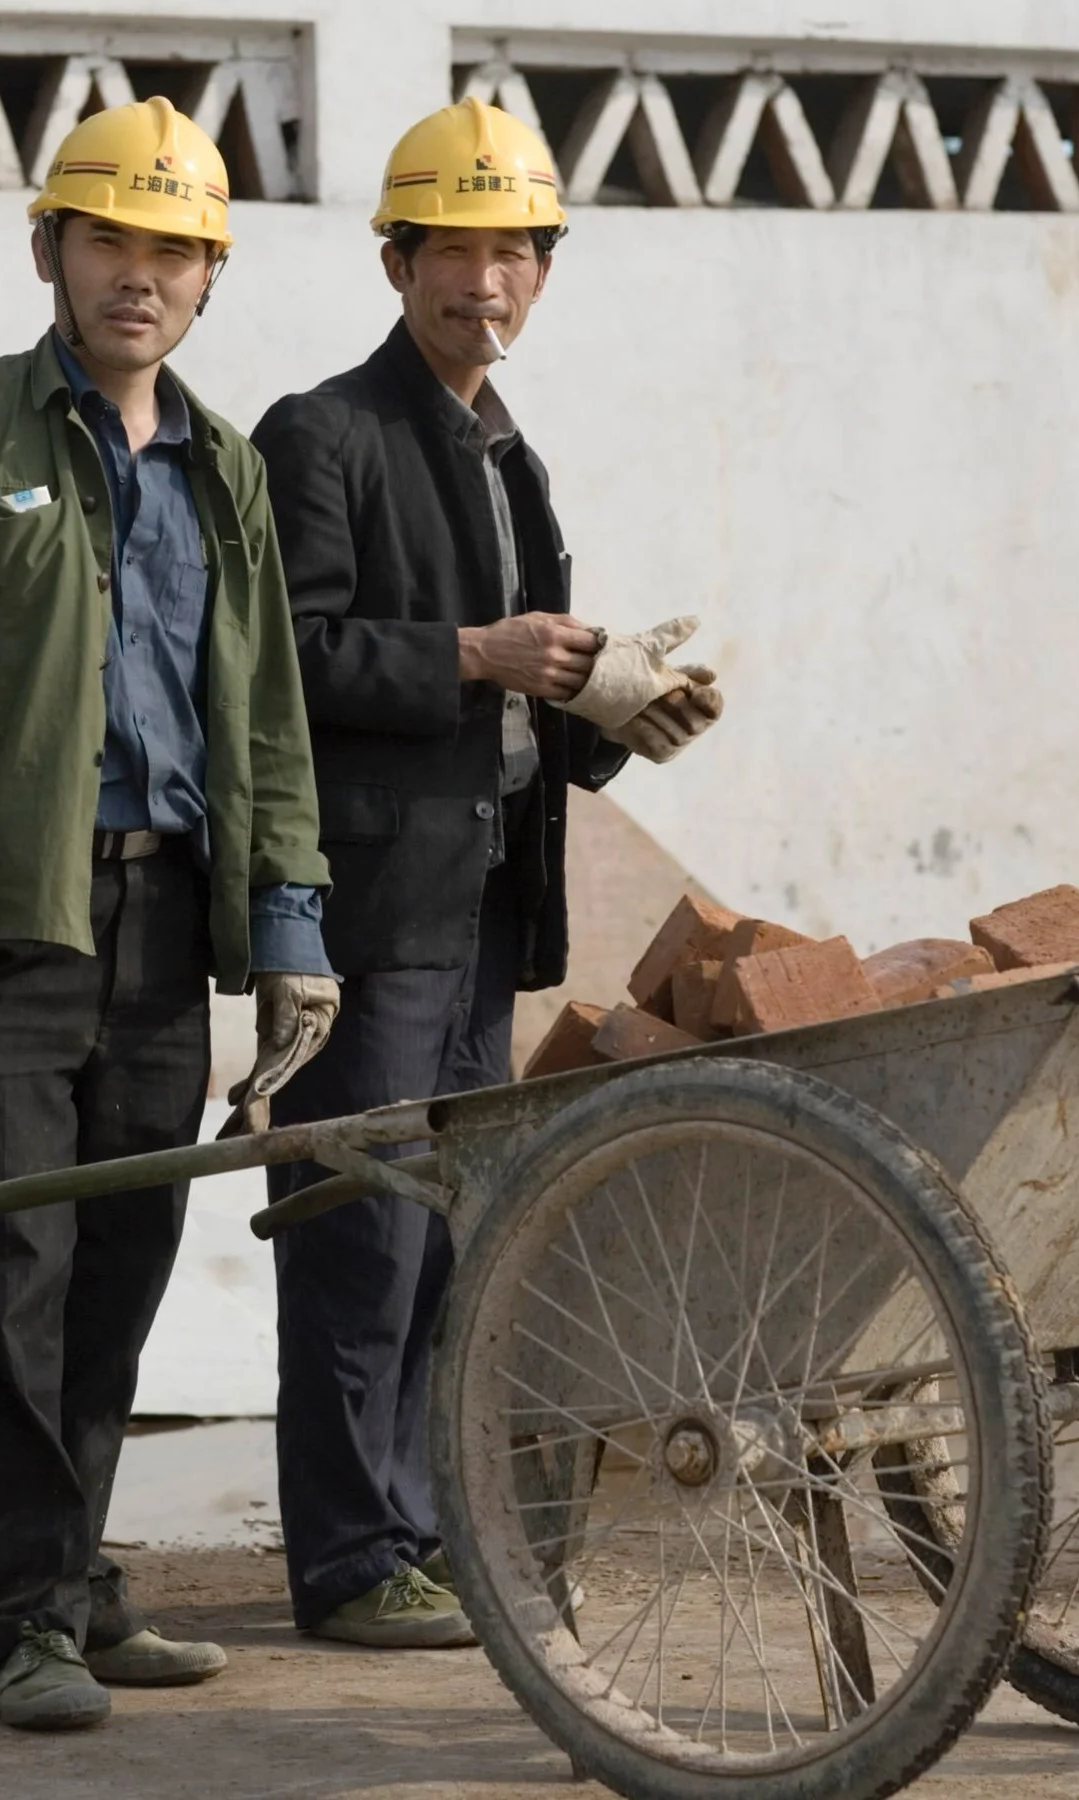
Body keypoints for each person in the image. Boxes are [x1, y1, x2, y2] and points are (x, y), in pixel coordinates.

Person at [0, 98, 337, 1730]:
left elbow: (266, 707)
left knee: (123, 1263)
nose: (137, 278)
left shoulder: (223, 468)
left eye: (171, 251)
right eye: (109, 242)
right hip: (12, 929)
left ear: (208, 277)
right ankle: (24, 1627)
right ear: (51, 251)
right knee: (10, 1269)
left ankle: (70, 1586)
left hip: (167, 925)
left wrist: (288, 924)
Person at [251, 97, 724, 1649]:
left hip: (485, 911)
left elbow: (523, 714)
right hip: (371, 916)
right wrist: (476, 652)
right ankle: (345, 1559)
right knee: (358, 1235)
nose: (488, 281)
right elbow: (287, 664)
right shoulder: (322, 436)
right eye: (455, 250)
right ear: (395, 260)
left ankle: (432, 1536)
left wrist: (622, 720)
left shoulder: (510, 457)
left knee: (456, 1241)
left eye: (516, 250)